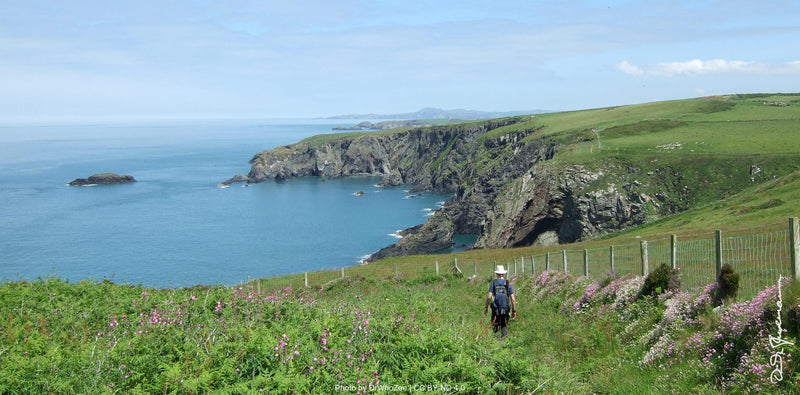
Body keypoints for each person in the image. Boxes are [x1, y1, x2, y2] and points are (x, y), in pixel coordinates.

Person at [484, 265, 517, 337]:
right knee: (504, 324)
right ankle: (504, 338)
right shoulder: (508, 284)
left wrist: (486, 307)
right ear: (503, 274)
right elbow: (513, 299)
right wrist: (514, 310)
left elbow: (489, 297)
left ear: (496, 274)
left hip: (496, 308)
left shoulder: (494, 282)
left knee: (495, 324)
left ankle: (495, 340)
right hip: (505, 308)